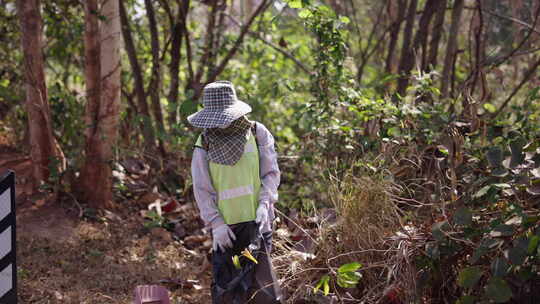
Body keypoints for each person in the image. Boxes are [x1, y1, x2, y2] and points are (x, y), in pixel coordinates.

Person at [189, 81, 282, 303]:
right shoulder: (204, 143)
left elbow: (271, 173)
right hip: (226, 232)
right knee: (228, 293)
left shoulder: (257, 133)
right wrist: (216, 224)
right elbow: (202, 189)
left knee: (263, 292)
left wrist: (264, 204)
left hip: (258, 225)